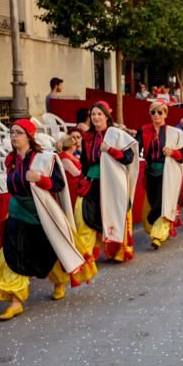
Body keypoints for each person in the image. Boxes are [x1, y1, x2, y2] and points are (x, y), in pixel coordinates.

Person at [0, 119, 89, 320]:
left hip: (40, 213)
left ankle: (59, 280)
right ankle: (16, 301)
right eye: (12, 132)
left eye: (19, 132)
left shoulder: (44, 158)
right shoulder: (11, 160)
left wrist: (40, 179)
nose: (14, 136)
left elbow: (59, 184)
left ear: (29, 136)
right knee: (13, 253)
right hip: (17, 211)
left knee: (47, 250)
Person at [77, 101, 138, 263]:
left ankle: (117, 251)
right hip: (91, 183)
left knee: (113, 216)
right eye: (93, 114)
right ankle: (86, 254)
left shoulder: (115, 134)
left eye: (99, 114)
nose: (96, 117)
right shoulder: (87, 137)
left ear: (106, 116)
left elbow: (128, 158)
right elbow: (84, 161)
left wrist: (110, 150)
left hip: (111, 184)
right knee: (85, 217)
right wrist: (83, 176)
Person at [140, 100, 183, 249]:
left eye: (160, 112)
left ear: (165, 114)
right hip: (150, 173)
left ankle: (158, 236)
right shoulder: (144, 130)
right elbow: (135, 148)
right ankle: (157, 228)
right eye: (153, 112)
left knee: (163, 203)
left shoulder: (174, 133)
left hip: (167, 173)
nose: (156, 115)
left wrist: (172, 152)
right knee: (153, 201)